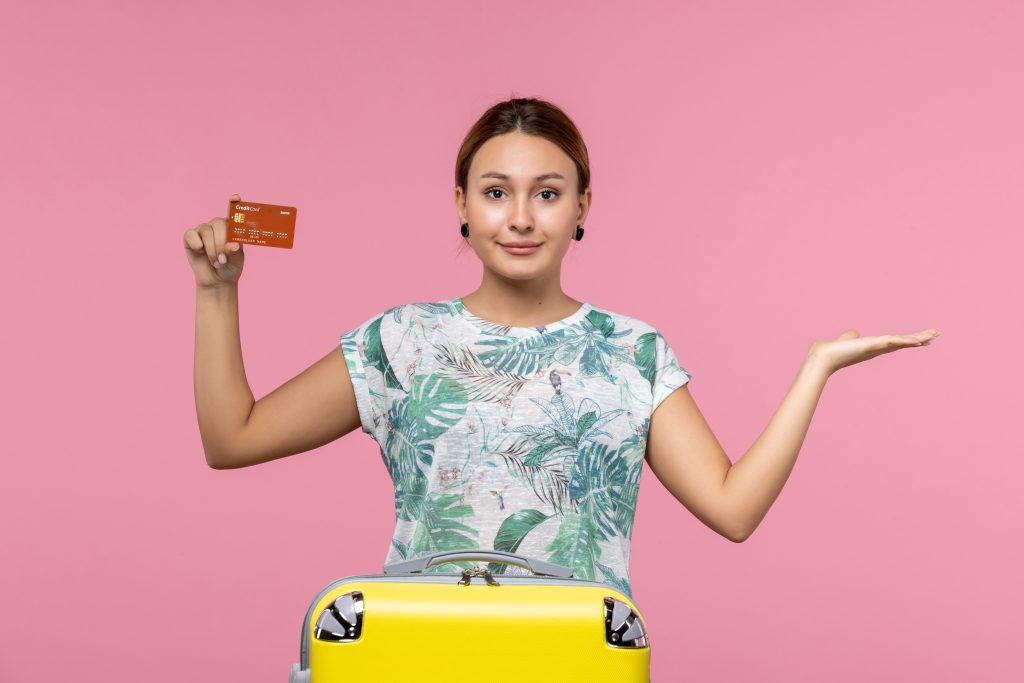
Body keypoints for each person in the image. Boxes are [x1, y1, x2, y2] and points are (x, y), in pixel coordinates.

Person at [183, 96, 939, 601]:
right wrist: (218, 293)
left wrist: (817, 367)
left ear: (582, 207)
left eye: (547, 192)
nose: (520, 216)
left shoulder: (632, 353)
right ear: (461, 205)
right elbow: (232, 437)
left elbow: (733, 508)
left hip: (576, 662)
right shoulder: (403, 341)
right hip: (418, 659)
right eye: (495, 191)